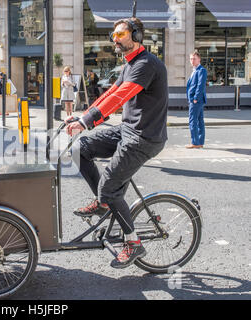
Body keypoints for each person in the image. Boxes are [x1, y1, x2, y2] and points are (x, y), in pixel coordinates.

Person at [66, 17, 168, 269]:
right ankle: (103, 202)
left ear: (136, 35)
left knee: (110, 187)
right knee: (81, 149)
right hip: (127, 130)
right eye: (113, 34)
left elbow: (122, 96)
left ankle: (133, 242)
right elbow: (111, 92)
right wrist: (84, 116)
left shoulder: (146, 64)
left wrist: (86, 122)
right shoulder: (130, 64)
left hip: (145, 137)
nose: (115, 38)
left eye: (121, 34)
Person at [186, 50, 207, 149]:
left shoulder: (201, 70)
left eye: (194, 59)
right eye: (191, 59)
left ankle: (195, 142)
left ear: (199, 59)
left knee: (192, 120)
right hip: (195, 99)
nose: (192, 60)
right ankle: (200, 142)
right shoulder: (194, 70)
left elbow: (200, 86)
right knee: (199, 120)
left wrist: (195, 98)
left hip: (196, 100)